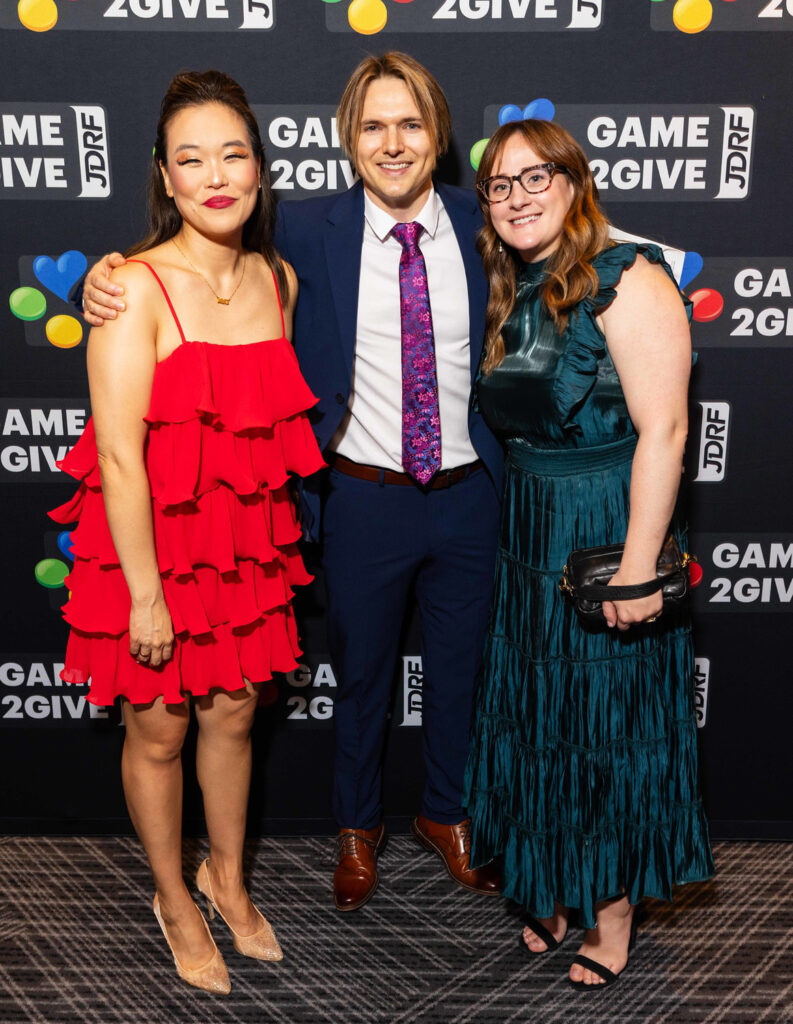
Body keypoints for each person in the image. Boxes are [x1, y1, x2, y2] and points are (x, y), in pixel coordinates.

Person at [81, 52, 503, 913]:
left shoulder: (485, 222)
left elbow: (577, 237)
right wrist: (103, 273)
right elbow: (186, 255)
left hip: (469, 491)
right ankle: (355, 830)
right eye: (373, 126)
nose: (393, 144)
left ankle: (446, 814)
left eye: (411, 125)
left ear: (440, 136)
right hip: (358, 494)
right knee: (359, 677)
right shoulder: (306, 234)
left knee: (461, 672)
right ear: (345, 141)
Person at [52, 70, 324, 993]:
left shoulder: (277, 279)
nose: (215, 175)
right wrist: (145, 598)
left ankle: (228, 878)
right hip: (153, 554)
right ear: (164, 178)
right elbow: (121, 460)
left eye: (233, 154)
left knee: (236, 719)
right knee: (159, 733)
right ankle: (172, 893)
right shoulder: (129, 290)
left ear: (259, 168)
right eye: (191, 158)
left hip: (244, 543)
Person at [463, 119, 714, 990]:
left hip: (610, 522)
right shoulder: (513, 284)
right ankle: (556, 888)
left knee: (606, 727)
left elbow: (666, 429)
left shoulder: (629, 274)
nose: (517, 197)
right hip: (531, 529)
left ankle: (612, 919)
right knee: (542, 721)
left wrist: (641, 568)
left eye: (536, 177)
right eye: (499, 185)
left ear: (575, 182)